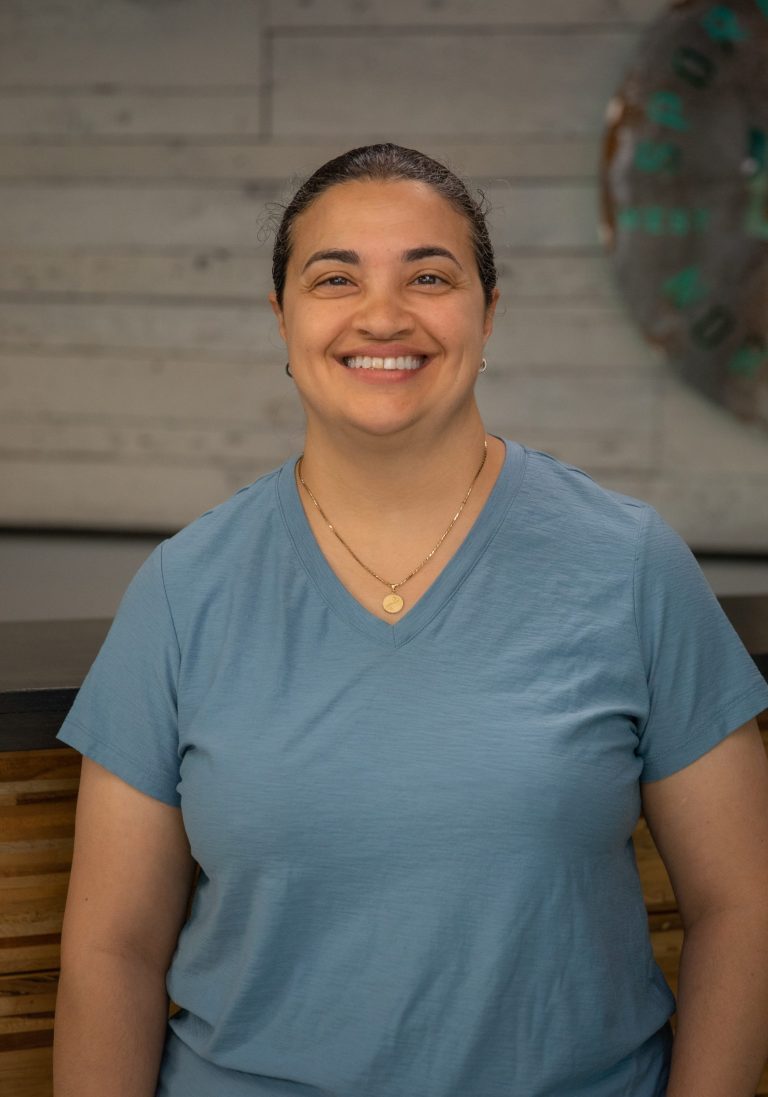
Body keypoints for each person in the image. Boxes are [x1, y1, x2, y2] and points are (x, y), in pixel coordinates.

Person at [52, 143, 768, 1097]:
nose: (382, 314)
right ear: (282, 317)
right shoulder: (184, 590)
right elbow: (113, 952)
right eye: (334, 277)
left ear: (489, 311)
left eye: (429, 276)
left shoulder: (629, 563)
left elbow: (742, 902)